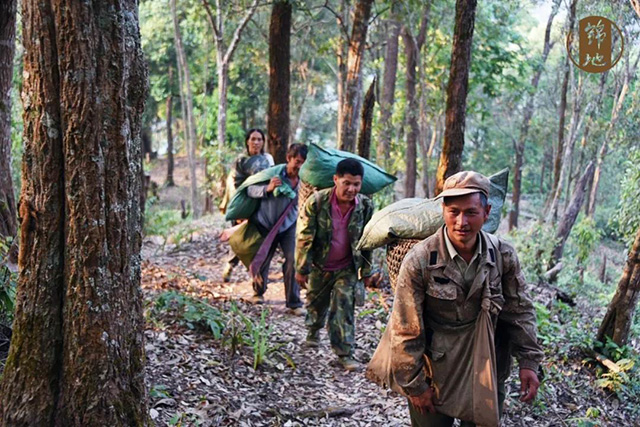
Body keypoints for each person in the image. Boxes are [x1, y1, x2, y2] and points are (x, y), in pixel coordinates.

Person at [367, 171, 543, 426]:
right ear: (443, 211)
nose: (462, 221)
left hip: (486, 366)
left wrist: (529, 362)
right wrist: (415, 385)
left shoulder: (502, 255)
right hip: (436, 371)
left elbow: (519, 310)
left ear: (487, 212)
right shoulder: (420, 260)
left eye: (471, 212)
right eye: (454, 211)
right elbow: (405, 327)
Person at [295, 158, 374, 371]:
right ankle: (313, 331)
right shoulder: (317, 202)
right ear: (335, 179)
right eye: (346, 183)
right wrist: (302, 268)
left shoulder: (365, 206)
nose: (351, 189)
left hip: (347, 267)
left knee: (343, 306)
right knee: (316, 303)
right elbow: (304, 237)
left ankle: (345, 353)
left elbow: (368, 240)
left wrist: (366, 270)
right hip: (320, 266)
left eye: (356, 184)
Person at [246, 143, 307, 315]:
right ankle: (258, 292)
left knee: (292, 260)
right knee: (263, 258)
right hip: (266, 223)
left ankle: (294, 302)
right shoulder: (272, 174)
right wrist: (268, 188)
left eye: (303, 163)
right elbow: (250, 190)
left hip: (289, 226)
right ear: (288, 159)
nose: (300, 166)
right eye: (297, 161)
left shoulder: (305, 181)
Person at [221, 128, 274, 282]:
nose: (256, 142)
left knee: (256, 240)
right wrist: (240, 211)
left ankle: (256, 275)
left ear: (263, 142)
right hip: (244, 203)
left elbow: (271, 179)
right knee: (240, 239)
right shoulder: (241, 160)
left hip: (263, 203)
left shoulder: (268, 159)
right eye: (253, 139)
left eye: (259, 139)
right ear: (247, 141)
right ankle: (230, 266)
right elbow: (234, 184)